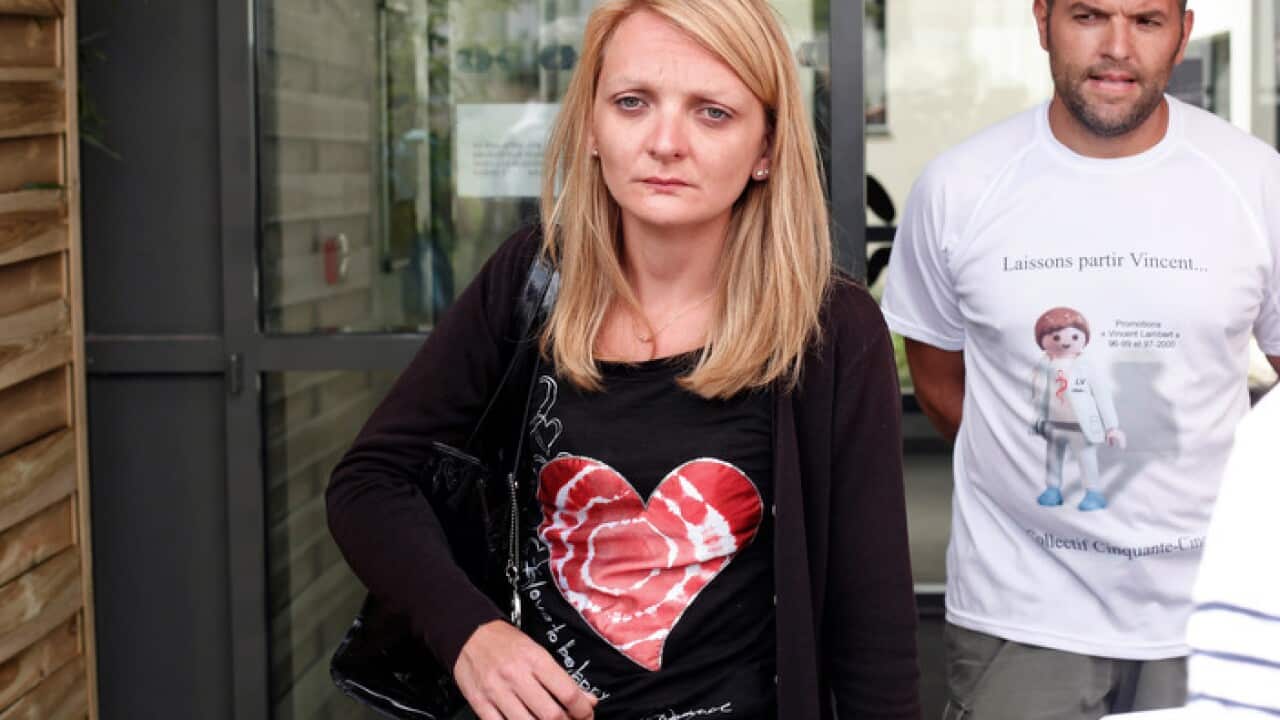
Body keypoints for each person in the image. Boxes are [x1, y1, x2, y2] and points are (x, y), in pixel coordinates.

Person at [328, 1, 921, 718]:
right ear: (591, 128)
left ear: (766, 148)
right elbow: (369, 483)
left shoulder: (829, 328)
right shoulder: (532, 278)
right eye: (633, 102)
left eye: (712, 112)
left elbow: (874, 637)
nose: (665, 142)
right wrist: (470, 632)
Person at [881, 0, 1280, 717]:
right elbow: (940, 385)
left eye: (1147, 21)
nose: (1117, 47)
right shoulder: (959, 187)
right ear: (1043, 21)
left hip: (1211, 612)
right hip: (1021, 615)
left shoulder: (1256, 182)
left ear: (1182, 33)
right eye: (1090, 15)